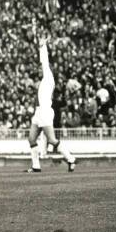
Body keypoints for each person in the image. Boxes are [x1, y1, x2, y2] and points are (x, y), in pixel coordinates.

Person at [27, 35, 76, 173]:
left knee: (53, 140)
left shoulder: (48, 77)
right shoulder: (45, 80)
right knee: (31, 138)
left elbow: (44, 61)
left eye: (40, 68)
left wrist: (43, 47)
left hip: (45, 112)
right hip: (38, 112)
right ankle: (36, 166)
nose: (39, 69)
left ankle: (71, 159)